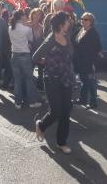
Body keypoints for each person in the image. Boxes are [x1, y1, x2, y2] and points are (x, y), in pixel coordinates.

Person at [33, 12, 75, 154]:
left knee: (66, 110)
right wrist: (47, 62)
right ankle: (41, 124)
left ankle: (61, 143)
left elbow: (70, 55)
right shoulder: (50, 39)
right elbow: (36, 56)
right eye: (67, 21)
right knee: (56, 111)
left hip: (66, 77)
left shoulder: (67, 37)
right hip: (52, 78)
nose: (69, 23)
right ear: (60, 24)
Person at [9, 10, 42, 109]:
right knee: (29, 79)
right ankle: (32, 101)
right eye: (25, 15)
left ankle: (17, 102)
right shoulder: (26, 29)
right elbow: (31, 39)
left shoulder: (10, 28)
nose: (26, 17)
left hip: (14, 54)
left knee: (18, 79)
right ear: (22, 17)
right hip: (25, 54)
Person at [73, 12, 102, 109]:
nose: (83, 21)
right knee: (84, 81)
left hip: (89, 61)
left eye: (86, 19)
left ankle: (93, 102)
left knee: (90, 82)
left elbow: (98, 48)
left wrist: (93, 63)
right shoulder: (81, 30)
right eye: (82, 19)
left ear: (91, 22)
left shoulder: (93, 33)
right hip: (81, 61)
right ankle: (83, 99)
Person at [29, 8, 45, 91]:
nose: (37, 16)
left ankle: (40, 87)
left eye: (39, 14)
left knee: (40, 71)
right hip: (29, 52)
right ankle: (30, 89)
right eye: (35, 14)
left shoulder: (42, 27)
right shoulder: (27, 25)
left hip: (40, 51)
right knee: (29, 71)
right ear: (32, 14)